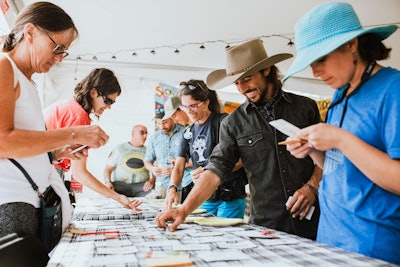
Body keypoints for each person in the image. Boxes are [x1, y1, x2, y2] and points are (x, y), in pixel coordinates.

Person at [156, 39, 322, 240]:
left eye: (247, 79)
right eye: (236, 82)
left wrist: (312, 186)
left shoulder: (306, 108)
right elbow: (216, 169)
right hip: (266, 224)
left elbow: (327, 158)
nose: (242, 88)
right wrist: (184, 209)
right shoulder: (233, 122)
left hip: (312, 218)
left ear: (267, 70)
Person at [282, 2, 400, 264]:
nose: (315, 72)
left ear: (351, 44)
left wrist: (341, 139)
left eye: (321, 58)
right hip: (329, 239)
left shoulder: (394, 89)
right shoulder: (340, 93)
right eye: (311, 62)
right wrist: (313, 149)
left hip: (373, 246)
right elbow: (340, 167)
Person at [0, 1, 109, 247]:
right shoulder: (4, 67)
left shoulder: (28, 81)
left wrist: (52, 153)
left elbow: (18, 147)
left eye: (64, 51)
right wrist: (74, 133)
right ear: (30, 33)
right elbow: (2, 142)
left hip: (29, 202)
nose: (59, 58)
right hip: (12, 203)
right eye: (57, 47)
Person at [45, 68, 141, 210]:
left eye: (112, 103)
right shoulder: (79, 115)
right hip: (46, 174)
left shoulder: (69, 106)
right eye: (107, 100)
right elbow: (79, 173)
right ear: (93, 92)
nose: (108, 107)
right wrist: (118, 197)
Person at [164, 80, 247, 217]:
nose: (189, 111)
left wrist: (208, 171)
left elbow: (242, 158)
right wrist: (172, 188)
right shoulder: (188, 133)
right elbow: (179, 166)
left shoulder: (223, 122)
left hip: (230, 195)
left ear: (206, 103)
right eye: (185, 107)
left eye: (193, 106)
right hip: (204, 197)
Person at [144, 110, 192, 199]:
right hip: (161, 184)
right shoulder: (154, 138)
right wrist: (153, 169)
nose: (161, 126)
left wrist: (178, 167)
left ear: (172, 118)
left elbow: (195, 159)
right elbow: (147, 161)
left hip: (183, 183)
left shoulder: (186, 133)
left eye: (164, 122)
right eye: (158, 123)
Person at [103, 124, 155, 197]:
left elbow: (155, 170)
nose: (145, 136)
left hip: (142, 187)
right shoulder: (119, 148)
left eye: (146, 133)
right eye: (142, 133)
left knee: (155, 194)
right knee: (107, 193)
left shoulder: (149, 151)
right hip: (120, 187)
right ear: (133, 133)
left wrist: (152, 181)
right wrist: (107, 182)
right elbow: (108, 168)